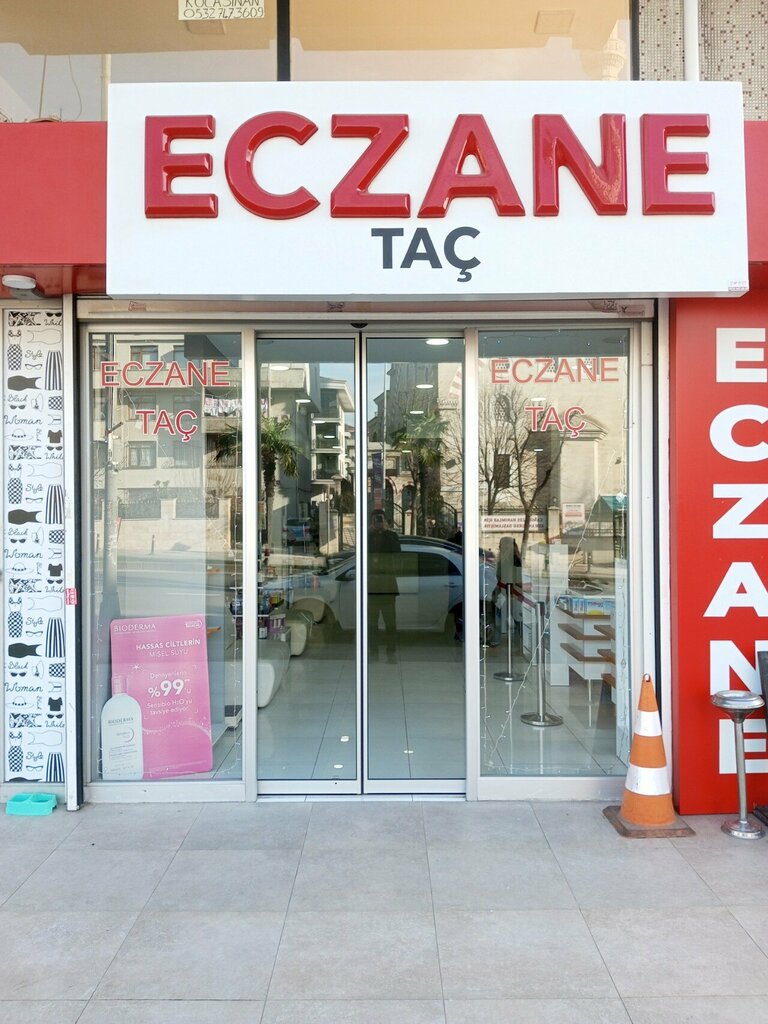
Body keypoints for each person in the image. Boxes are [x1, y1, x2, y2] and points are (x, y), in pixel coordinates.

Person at [368, 510, 401, 661]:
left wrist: (386, 531)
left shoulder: (391, 536)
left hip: (388, 586)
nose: (378, 522)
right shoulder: (367, 536)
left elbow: (397, 552)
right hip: (371, 587)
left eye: (380, 520)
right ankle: (373, 650)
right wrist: (370, 532)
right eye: (375, 520)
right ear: (371, 522)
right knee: (371, 622)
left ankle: (391, 650)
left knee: (390, 621)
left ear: (385, 521)